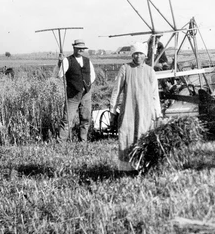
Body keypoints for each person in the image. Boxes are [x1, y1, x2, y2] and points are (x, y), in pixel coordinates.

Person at [109, 42, 162, 171]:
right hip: (129, 109)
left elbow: (155, 94)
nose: (138, 56)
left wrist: (157, 112)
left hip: (145, 110)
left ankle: (142, 165)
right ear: (132, 55)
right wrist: (112, 108)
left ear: (145, 56)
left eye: (140, 54)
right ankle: (127, 167)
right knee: (127, 134)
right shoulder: (125, 68)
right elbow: (116, 90)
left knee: (143, 135)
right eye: (135, 54)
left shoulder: (150, 71)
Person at [58, 39, 97, 141]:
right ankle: (61, 142)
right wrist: (60, 62)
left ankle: (83, 141)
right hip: (73, 94)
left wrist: (87, 85)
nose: (81, 50)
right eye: (78, 48)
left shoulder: (87, 60)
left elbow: (92, 76)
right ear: (74, 48)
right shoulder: (67, 60)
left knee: (85, 118)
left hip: (86, 94)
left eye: (82, 48)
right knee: (67, 119)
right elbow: (60, 74)